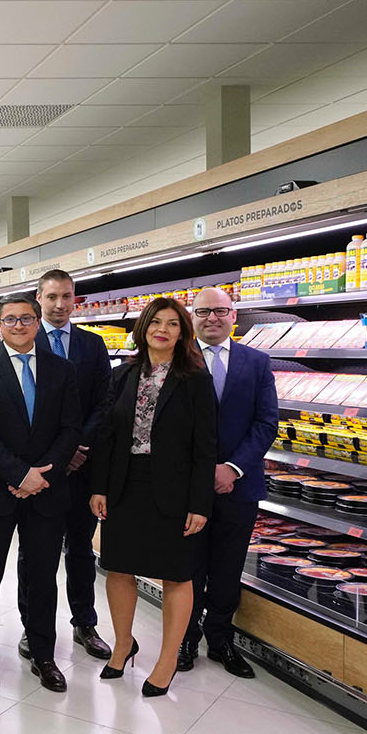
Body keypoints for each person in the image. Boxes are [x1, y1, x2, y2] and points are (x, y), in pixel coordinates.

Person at [90, 297, 217, 698]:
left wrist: (200, 503)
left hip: (174, 491)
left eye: (173, 324)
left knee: (176, 574)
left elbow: (205, 446)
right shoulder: (122, 375)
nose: (163, 329)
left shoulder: (196, 379)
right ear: (143, 326)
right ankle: (124, 644)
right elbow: (106, 436)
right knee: (119, 568)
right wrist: (99, 487)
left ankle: (166, 661)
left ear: (183, 333)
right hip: (125, 484)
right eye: (156, 322)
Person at [0, 293, 81, 694]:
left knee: (42, 577)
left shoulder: (61, 369)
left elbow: (70, 428)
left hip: (46, 490)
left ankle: (44, 655)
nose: (18, 326)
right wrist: (18, 473)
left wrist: (41, 474)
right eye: (10, 319)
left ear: (37, 321)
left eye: (26, 318)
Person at [15, 270, 114, 662]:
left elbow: (103, 403)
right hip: (37, 470)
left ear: (76, 300)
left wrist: (77, 447)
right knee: (34, 554)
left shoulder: (92, 345)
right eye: (51, 296)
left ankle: (84, 623)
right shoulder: (22, 340)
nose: (59, 305)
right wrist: (52, 457)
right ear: (38, 298)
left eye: (67, 296)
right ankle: (32, 628)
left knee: (80, 548)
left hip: (81, 466)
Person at [180, 287, 278, 678]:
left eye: (220, 311)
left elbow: (266, 421)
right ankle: (185, 638)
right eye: (203, 311)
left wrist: (233, 467)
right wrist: (205, 471)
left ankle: (220, 640)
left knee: (228, 567)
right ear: (193, 318)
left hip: (240, 485)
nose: (212, 318)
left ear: (233, 315)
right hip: (189, 486)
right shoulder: (177, 361)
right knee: (188, 567)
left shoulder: (257, 361)